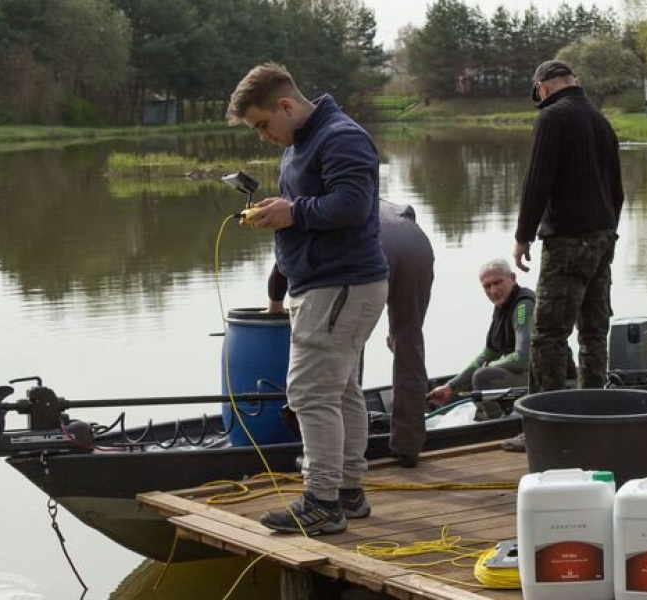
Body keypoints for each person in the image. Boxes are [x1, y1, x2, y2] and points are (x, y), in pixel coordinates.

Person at [228, 62, 388, 535]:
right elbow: (311, 209)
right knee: (340, 392)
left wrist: (292, 211)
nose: (263, 136)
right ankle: (348, 494)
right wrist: (281, 217)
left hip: (339, 285)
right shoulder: (303, 142)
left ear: (285, 105)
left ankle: (321, 502)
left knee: (309, 394)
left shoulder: (340, 136)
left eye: (262, 125)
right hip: (326, 285)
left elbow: (353, 205)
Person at [266, 199, 434, 469]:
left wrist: (274, 304)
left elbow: (282, 265)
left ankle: (347, 451)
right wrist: (397, 331)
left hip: (371, 248)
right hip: (417, 246)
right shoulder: (378, 203)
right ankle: (408, 447)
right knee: (409, 343)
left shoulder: (307, 211)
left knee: (348, 348)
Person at [512, 59, 624, 452]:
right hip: (602, 239)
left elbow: (537, 181)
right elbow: (618, 187)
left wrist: (523, 236)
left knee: (548, 335)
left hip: (567, 242)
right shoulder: (600, 120)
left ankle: (544, 427)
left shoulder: (552, 119)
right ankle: (594, 415)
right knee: (595, 332)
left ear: (542, 88)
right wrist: (609, 231)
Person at [426, 258, 533, 420]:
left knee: (482, 376)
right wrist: (450, 386)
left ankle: (494, 426)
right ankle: (484, 416)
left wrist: (489, 366)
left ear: (512, 278)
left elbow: (522, 358)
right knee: (470, 379)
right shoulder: (501, 308)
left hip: (545, 379)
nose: (493, 290)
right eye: (487, 286)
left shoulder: (523, 306)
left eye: (498, 282)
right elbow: (486, 355)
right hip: (524, 375)